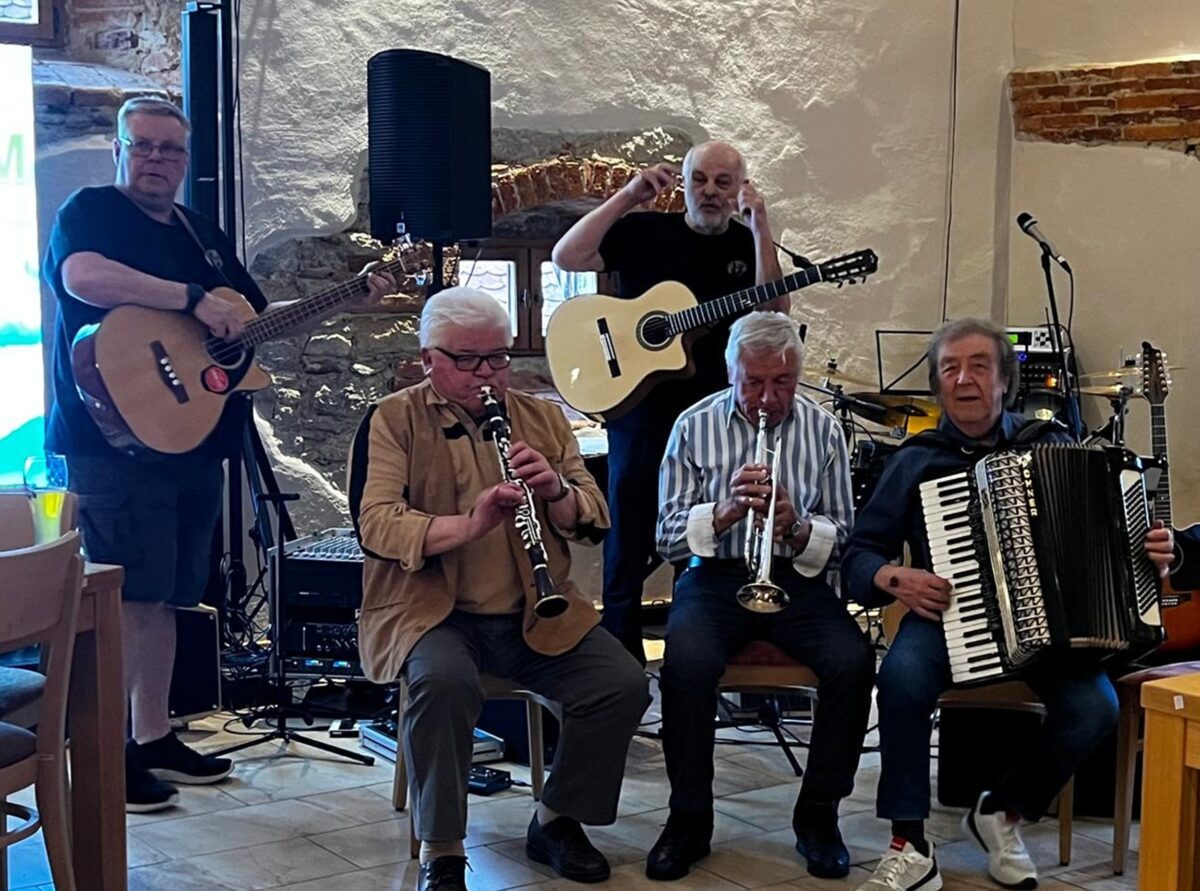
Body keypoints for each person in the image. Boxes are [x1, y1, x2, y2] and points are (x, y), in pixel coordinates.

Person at [41, 96, 394, 813]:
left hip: (193, 442)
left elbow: (257, 323)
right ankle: (106, 753)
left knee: (169, 596)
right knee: (126, 599)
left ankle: (152, 735)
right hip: (111, 441)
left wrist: (352, 295)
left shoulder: (201, 233)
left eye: (171, 149)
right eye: (145, 145)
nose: (158, 159)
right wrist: (190, 296)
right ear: (120, 147)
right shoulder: (92, 210)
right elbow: (82, 278)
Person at [350, 286, 650, 891]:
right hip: (433, 614)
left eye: (499, 358)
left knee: (621, 684)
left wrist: (558, 493)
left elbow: (593, 513)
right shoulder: (395, 418)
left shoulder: (540, 415)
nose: (486, 374)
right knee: (441, 683)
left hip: (534, 613)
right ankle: (443, 847)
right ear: (428, 356)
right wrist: (470, 525)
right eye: (467, 360)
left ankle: (556, 818)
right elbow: (376, 521)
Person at [843, 318, 1121, 891]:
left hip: (1045, 625)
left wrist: (1151, 548)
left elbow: (1107, 537)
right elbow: (859, 555)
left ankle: (1002, 812)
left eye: (978, 367)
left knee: (1097, 707)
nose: (963, 379)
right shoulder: (918, 459)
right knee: (901, 678)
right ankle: (909, 842)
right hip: (949, 617)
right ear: (938, 384)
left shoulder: (1051, 446)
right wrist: (896, 576)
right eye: (950, 368)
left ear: (1004, 383)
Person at [651, 311, 872, 880]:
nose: (767, 399)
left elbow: (844, 534)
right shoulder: (691, 426)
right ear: (730, 374)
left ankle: (818, 814)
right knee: (687, 660)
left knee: (853, 660)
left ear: (797, 377)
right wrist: (724, 513)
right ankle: (689, 818)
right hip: (715, 577)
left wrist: (798, 528)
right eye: (753, 382)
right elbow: (666, 536)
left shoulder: (824, 430)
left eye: (782, 383)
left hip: (798, 579)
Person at [552, 141, 787, 663]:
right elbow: (567, 256)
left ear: (740, 189)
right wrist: (629, 195)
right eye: (699, 179)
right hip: (639, 412)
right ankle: (621, 664)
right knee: (627, 540)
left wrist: (760, 226)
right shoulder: (644, 230)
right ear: (683, 183)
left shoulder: (747, 243)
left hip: (713, 423)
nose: (710, 191)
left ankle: (693, 654)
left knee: (703, 532)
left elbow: (774, 311)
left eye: (724, 182)